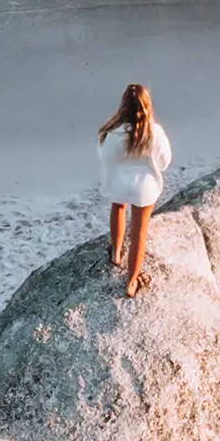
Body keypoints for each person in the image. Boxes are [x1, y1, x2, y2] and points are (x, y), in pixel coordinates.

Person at [96, 81, 172, 297]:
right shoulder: (154, 132)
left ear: (124, 106)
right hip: (144, 187)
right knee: (139, 231)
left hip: (118, 182)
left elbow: (104, 157)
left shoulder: (111, 132)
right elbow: (165, 161)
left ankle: (117, 253)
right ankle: (131, 282)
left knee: (118, 208)